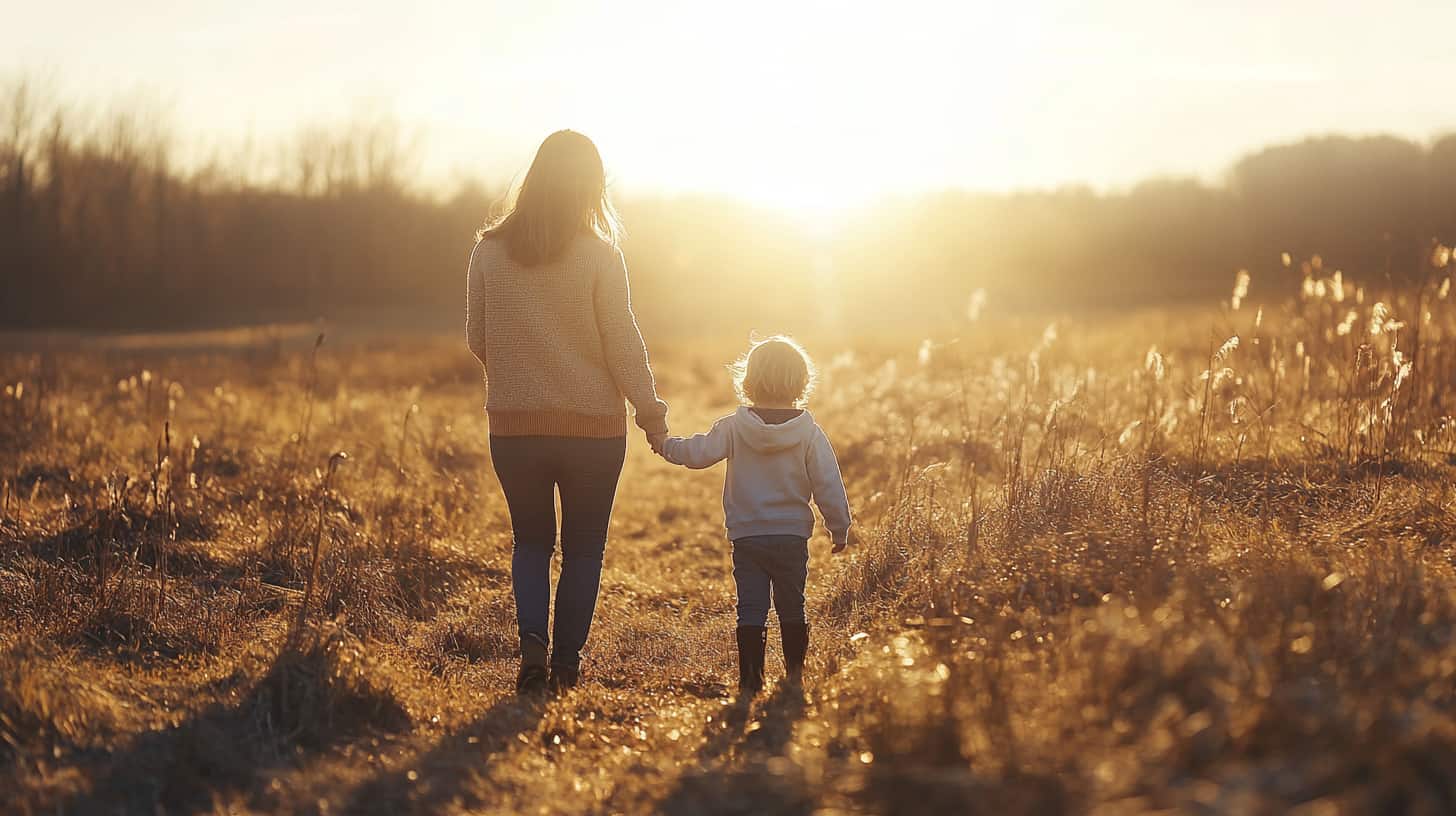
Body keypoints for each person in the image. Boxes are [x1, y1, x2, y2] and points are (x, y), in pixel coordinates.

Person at [467, 130, 669, 695]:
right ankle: (565, 663)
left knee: (530, 542)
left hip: (514, 429)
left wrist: (518, 373)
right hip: (593, 433)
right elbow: (622, 344)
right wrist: (650, 412)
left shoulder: (487, 250)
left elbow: (477, 336)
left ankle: (532, 646)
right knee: (583, 549)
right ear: (591, 187)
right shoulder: (601, 255)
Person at [656, 336, 851, 694]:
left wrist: (667, 446)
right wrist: (839, 528)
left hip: (747, 536)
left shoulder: (734, 426)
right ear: (801, 381)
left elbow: (698, 453)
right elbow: (828, 484)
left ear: (748, 380)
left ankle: (751, 680)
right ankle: (794, 675)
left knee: (751, 607)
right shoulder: (809, 432)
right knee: (793, 604)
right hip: (791, 537)